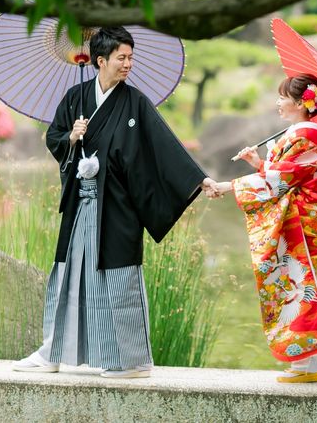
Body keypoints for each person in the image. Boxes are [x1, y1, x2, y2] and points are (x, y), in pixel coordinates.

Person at [13, 26, 216, 378]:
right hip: (81, 205)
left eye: (130, 57)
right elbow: (54, 137)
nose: (128, 64)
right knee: (69, 275)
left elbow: (164, 146)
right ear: (100, 60)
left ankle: (131, 361)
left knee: (119, 280)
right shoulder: (75, 97)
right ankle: (53, 352)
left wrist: (200, 180)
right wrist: (71, 137)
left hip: (118, 207)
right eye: (121, 57)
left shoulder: (135, 102)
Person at [211, 74, 317, 383]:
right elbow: (287, 175)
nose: (278, 102)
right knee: (299, 286)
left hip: (302, 221)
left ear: (301, 103)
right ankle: (306, 363)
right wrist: (258, 163)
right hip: (305, 220)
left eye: (283, 97)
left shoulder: (306, 136)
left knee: (305, 286)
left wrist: (228, 185)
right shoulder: (303, 133)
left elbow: (282, 179)